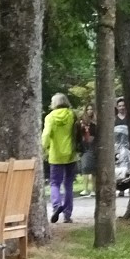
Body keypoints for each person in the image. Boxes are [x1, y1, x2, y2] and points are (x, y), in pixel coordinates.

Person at [42, 93, 80, 223]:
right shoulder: (72, 115)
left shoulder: (50, 117)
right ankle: (67, 214)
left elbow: (46, 134)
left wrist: (43, 148)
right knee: (68, 184)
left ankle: (56, 205)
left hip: (55, 155)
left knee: (54, 183)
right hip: (71, 154)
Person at [77, 104, 97, 197]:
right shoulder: (81, 122)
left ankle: (93, 189)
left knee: (93, 169)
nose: (90, 111)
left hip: (94, 146)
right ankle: (85, 189)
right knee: (85, 168)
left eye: (91, 109)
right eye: (88, 109)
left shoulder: (95, 122)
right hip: (85, 147)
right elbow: (78, 134)